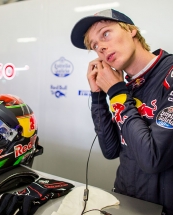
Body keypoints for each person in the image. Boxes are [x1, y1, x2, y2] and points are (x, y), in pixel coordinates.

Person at [71, 8, 173, 215]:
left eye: (105, 33)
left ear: (132, 30)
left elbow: (152, 158)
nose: (101, 47)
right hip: (125, 201)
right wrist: (98, 95)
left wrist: (117, 93)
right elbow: (110, 150)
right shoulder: (127, 86)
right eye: (95, 46)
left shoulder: (169, 74)